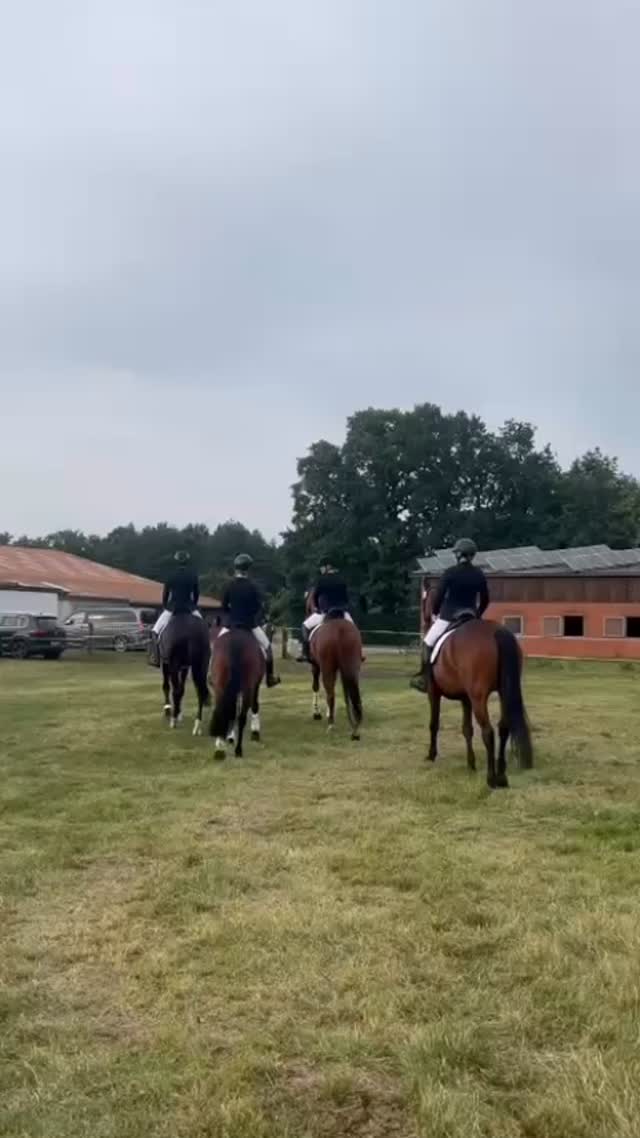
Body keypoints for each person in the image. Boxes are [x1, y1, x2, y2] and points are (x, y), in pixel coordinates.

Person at [410, 538, 490, 692]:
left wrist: (435, 613)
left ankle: (425, 680)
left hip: (449, 617)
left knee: (427, 643)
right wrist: (478, 615)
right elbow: (486, 599)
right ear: (472, 555)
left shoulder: (450, 573)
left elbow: (439, 596)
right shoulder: (479, 574)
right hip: (471, 617)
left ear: (458, 554)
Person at [219, 554, 281, 688]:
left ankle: (212, 676)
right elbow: (257, 607)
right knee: (267, 648)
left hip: (231, 625)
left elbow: (223, 606)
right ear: (248, 569)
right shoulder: (253, 586)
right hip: (250, 625)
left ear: (235, 568)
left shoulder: (228, 585)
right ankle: (270, 678)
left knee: (216, 647)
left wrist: (232, 614)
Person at [297, 558, 354, 663]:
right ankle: (358, 653)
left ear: (328, 567)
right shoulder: (342, 580)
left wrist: (317, 608)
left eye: (322, 567)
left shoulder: (322, 580)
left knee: (305, 626)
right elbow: (346, 599)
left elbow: (315, 596)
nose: (321, 570)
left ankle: (305, 653)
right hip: (342, 613)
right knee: (354, 630)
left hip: (325, 612)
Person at [149, 550, 202, 666]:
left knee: (155, 631)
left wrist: (165, 606)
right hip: (190, 608)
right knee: (204, 630)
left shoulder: (171, 575)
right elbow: (197, 594)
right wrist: (193, 605)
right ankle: (203, 658)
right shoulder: (193, 576)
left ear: (176, 561)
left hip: (172, 608)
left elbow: (165, 594)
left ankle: (155, 658)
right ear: (187, 562)